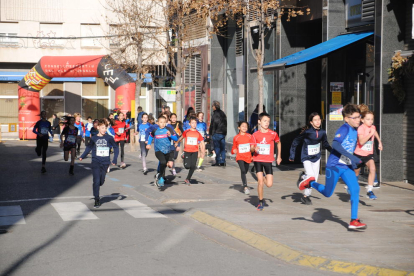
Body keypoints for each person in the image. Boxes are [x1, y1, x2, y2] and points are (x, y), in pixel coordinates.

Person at [297, 103, 366, 230]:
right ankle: (310, 182)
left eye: (359, 117)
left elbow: (350, 147)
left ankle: (353, 220)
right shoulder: (344, 129)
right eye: (355, 117)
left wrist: (354, 159)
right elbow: (336, 145)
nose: (358, 120)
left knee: (355, 189)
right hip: (334, 166)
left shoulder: (355, 129)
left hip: (346, 167)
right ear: (346, 119)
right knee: (328, 193)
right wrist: (351, 157)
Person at [289, 112, 332, 205]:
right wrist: (292, 155)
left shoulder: (323, 132)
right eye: (315, 120)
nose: (317, 122)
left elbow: (325, 144)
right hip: (306, 157)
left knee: (314, 180)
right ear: (311, 122)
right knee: (311, 175)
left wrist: (332, 151)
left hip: (316, 157)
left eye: (319, 119)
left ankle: (306, 196)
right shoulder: (307, 132)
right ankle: (304, 177)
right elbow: (296, 141)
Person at [79, 119, 119, 208]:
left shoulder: (109, 138)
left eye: (105, 128)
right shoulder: (94, 138)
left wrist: (115, 159)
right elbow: (88, 148)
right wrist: (82, 156)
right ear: (98, 128)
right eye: (102, 128)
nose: (104, 130)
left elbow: (116, 148)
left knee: (101, 181)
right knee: (96, 181)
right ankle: (97, 199)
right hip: (95, 161)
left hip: (105, 162)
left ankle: (99, 184)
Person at [250, 113, 282, 210]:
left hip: (268, 160)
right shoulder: (255, 135)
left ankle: (264, 177)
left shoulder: (273, 134)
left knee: (269, 184)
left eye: (268, 121)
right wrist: (254, 148)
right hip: (258, 159)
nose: (267, 123)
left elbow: (278, 143)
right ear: (259, 122)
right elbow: (251, 148)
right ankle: (260, 202)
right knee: (260, 182)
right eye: (264, 121)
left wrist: (279, 156)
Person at [354, 109, 383, 200]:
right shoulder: (361, 128)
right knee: (356, 172)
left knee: (373, 168)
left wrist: (379, 142)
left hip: (368, 154)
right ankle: (352, 188)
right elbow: (362, 141)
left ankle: (369, 191)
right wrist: (370, 134)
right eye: (368, 119)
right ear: (362, 120)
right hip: (358, 154)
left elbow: (375, 132)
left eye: (372, 119)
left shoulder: (372, 127)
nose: (370, 121)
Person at [146, 116, 178, 188]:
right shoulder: (155, 130)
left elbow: (176, 138)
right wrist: (148, 144)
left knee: (166, 165)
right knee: (163, 162)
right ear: (158, 123)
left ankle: (159, 176)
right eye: (161, 122)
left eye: (164, 122)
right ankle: (160, 177)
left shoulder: (169, 129)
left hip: (168, 151)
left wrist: (170, 135)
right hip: (158, 151)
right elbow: (151, 136)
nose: (163, 124)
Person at [175, 117, 205, 185]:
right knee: (187, 166)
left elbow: (202, 142)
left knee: (193, 166)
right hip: (187, 151)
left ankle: (187, 179)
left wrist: (202, 151)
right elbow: (182, 137)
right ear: (189, 124)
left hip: (195, 151)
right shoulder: (187, 131)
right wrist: (177, 142)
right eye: (192, 123)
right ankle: (184, 156)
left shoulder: (198, 133)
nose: (194, 124)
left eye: (195, 123)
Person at [231, 121, 253, 195]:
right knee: (243, 170)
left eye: (246, 126)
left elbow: (252, 146)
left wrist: (253, 153)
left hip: (248, 157)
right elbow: (234, 147)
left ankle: (244, 181)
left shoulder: (250, 136)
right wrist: (234, 150)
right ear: (239, 127)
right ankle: (245, 187)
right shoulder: (236, 137)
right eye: (243, 126)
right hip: (240, 157)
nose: (244, 127)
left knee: (245, 170)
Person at [209, 101, 227, 166]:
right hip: (222, 133)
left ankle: (218, 161)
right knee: (222, 147)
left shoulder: (215, 114)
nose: (212, 107)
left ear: (215, 107)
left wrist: (211, 133)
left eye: (212, 106)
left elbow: (214, 124)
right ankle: (223, 160)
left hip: (217, 132)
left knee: (217, 147)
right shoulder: (223, 113)